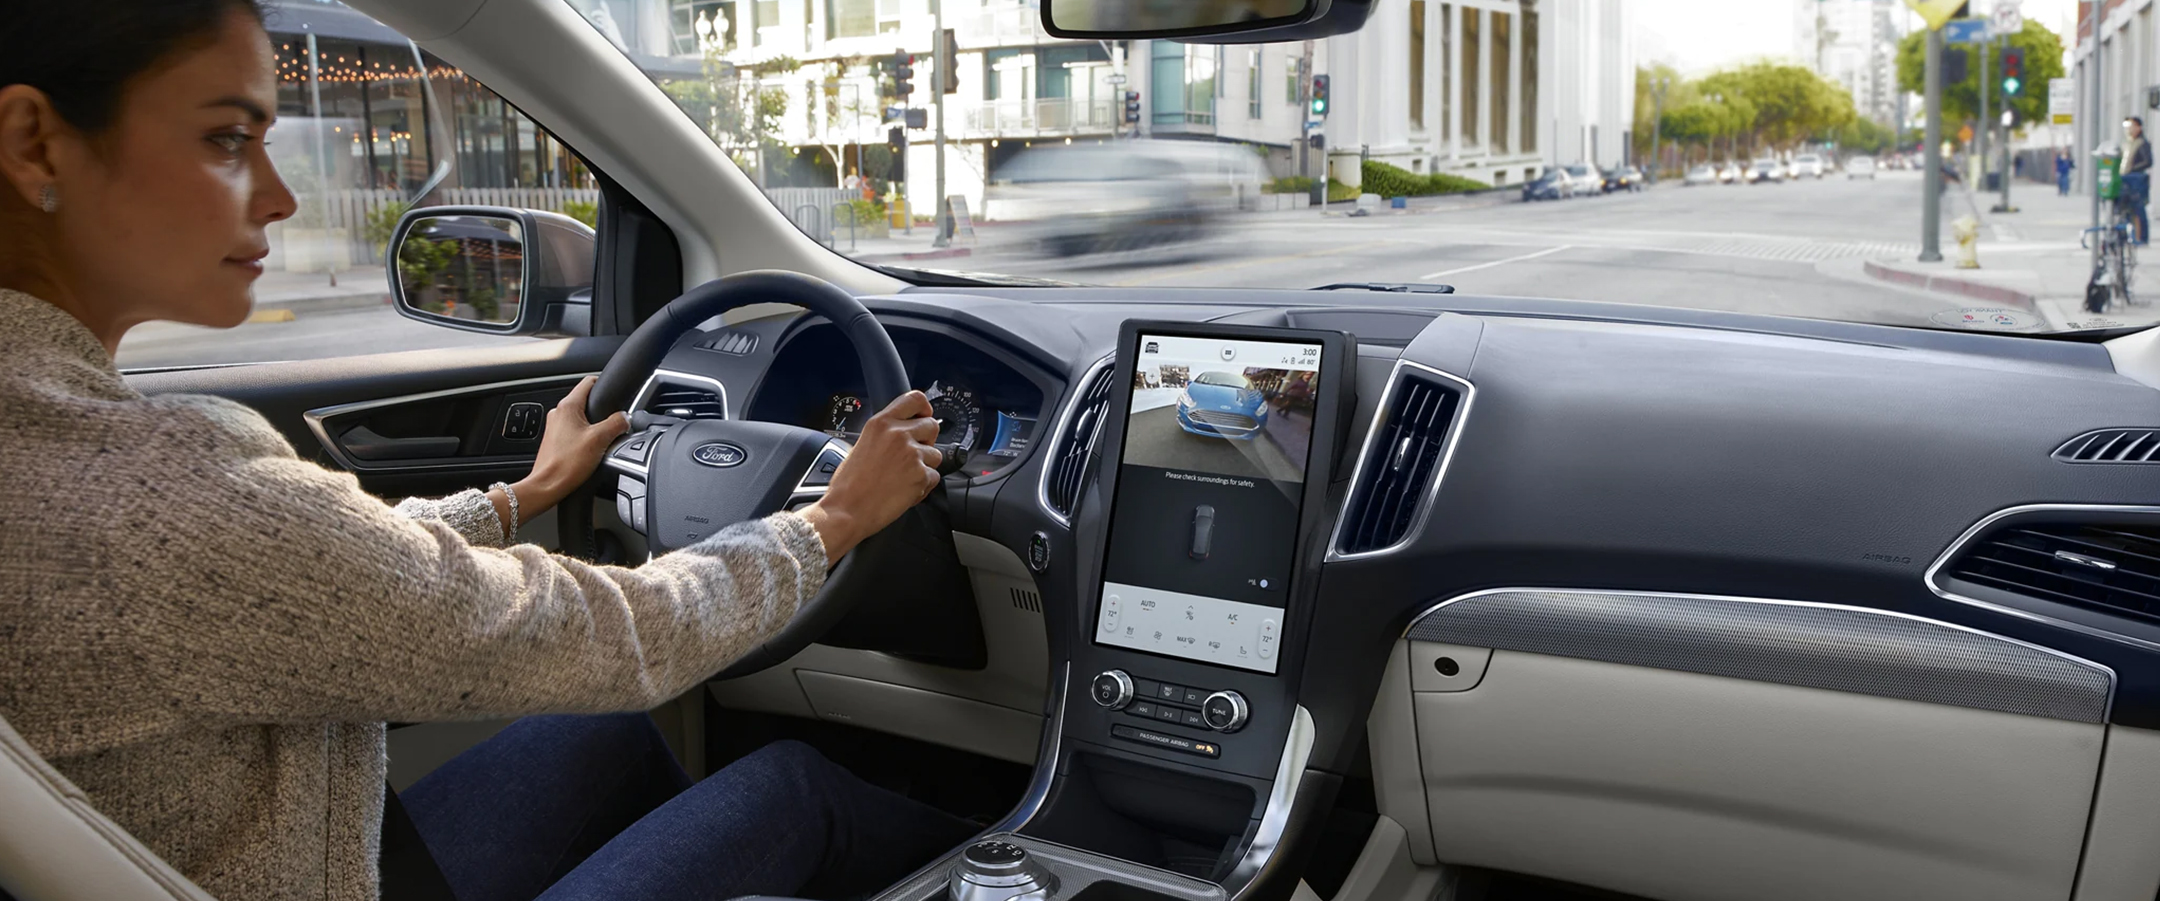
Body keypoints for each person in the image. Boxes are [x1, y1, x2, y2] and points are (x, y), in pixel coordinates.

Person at [0, 4, 976, 901]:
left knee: (609, 736)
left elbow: (321, 570)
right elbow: (611, 634)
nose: (282, 197)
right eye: (226, 140)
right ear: (34, 142)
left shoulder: (61, 458)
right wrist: (835, 517)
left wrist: (527, 492)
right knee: (794, 791)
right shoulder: (157, 496)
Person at [2124, 117, 2152, 245]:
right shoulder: (2129, 143)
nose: (2129, 129)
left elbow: (2148, 161)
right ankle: (2131, 235)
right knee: (2127, 209)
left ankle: (2142, 237)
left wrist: (2132, 169)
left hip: (2137, 179)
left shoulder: (2142, 143)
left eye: (2132, 126)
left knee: (2139, 209)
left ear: (2139, 127)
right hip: (2127, 179)